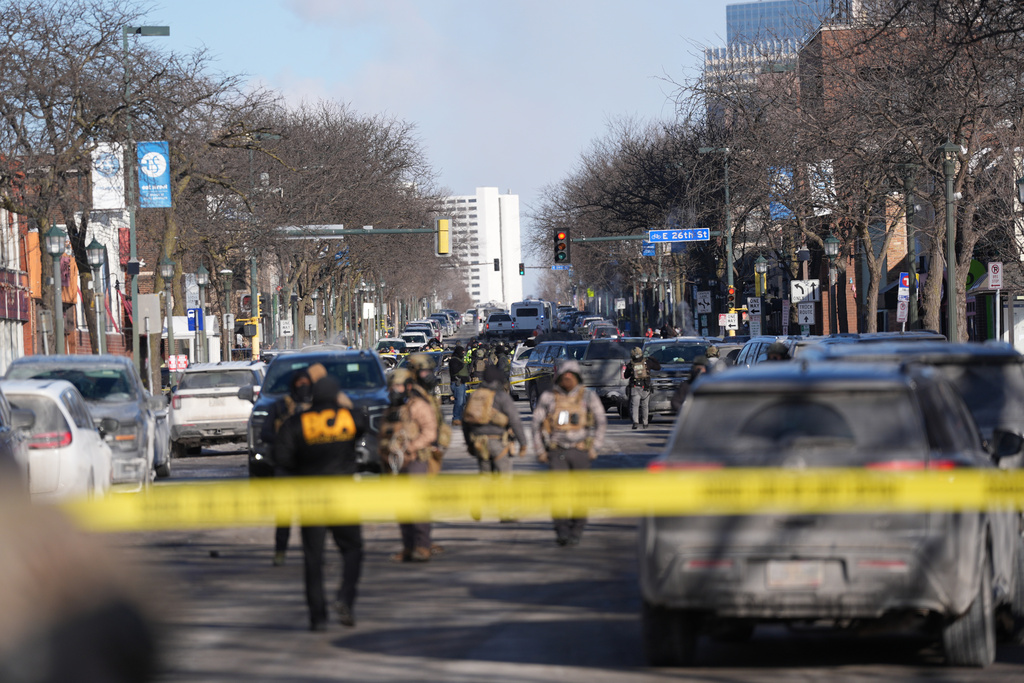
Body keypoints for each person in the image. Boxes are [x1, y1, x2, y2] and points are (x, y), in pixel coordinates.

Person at [274, 373, 367, 631]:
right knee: (352, 550)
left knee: (313, 558)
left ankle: (318, 617)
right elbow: (363, 421)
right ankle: (345, 598)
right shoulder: (349, 418)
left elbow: (282, 459)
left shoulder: (297, 423)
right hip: (344, 497)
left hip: (311, 498)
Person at [532, 359, 607, 546]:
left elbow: (601, 421)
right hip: (557, 452)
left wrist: (594, 447)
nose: (568, 379)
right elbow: (536, 424)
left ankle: (576, 531)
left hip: (580, 451)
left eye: (571, 375)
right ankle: (562, 531)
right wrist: (540, 450)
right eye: (565, 375)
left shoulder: (587, 397)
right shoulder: (549, 397)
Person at [260, 365, 321, 566]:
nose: (303, 387)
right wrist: (284, 438)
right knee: (284, 517)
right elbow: (265, 432)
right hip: (286, 468)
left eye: (306, 383)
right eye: (299, 383)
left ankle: (313, 556)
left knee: (312, 518)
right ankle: (280, 553)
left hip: (310, 469)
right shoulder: (280, 406)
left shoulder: (317, 406)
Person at [379, 368, 440, 562]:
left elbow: (430, 432)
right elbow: (382, 434)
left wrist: (410, 447)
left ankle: (422, 547)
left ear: (407, 387)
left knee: (418, 507)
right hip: (396, 465)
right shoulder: (389, 410)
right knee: (402, 508)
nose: (394, 390)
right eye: (391, 387)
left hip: (415, 461)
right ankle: (408, 547)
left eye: (398, 386)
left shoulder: (419, 406)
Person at [463, 364, 528, 474]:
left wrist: (469, 443)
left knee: (486, 478)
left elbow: (465, 421)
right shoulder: (501, 396)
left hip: (479, 442)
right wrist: (523, 443)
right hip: (498, 442)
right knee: (504, 479)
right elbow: (514, 420)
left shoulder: (475, 396)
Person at [623, 346, 661, 430]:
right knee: (645, 406)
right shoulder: (647, 362)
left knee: (635, 405)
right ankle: (645, 423)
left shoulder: (631, 364)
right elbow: (658, 367)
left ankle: (635, 422)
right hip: (645, 387)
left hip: (635, 387)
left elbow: (625, 376)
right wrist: (653, 359)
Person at [449, 343, 469, 426]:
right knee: (459, 402)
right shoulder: (454, 360)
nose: (463, 354)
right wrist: (462, 364)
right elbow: (455, 370)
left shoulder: (459, 360)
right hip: (458, 383)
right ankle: (456, 418)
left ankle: (460, 416)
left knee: (463, 401)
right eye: (462, 352)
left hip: (462, 383)